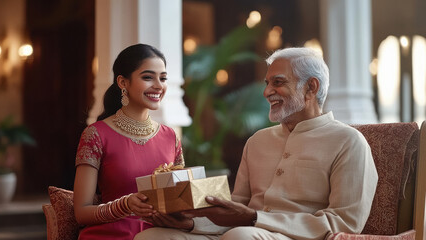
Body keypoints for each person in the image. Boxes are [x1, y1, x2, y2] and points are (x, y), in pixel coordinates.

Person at [134, 47, 378, 240]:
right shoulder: (258, 141)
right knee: (151, 236)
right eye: (266, 83)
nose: (267, 92)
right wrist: (191, 223)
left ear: (311, 87)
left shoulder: (349, 142)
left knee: (240, 236)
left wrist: (254, 218)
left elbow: (344, 223)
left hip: (298, 237)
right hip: (242, 232)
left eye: (278, 82)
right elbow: (237, 207)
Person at [73, 43, 185, 240]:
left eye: (163, 78)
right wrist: (124, 205)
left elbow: (181, 199)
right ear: (123, 82)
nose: (159, 85)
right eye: (148, 77)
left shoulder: (170, 137)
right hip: (113, 234)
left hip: (163, 234)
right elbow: (81, 212)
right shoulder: (96, 135)